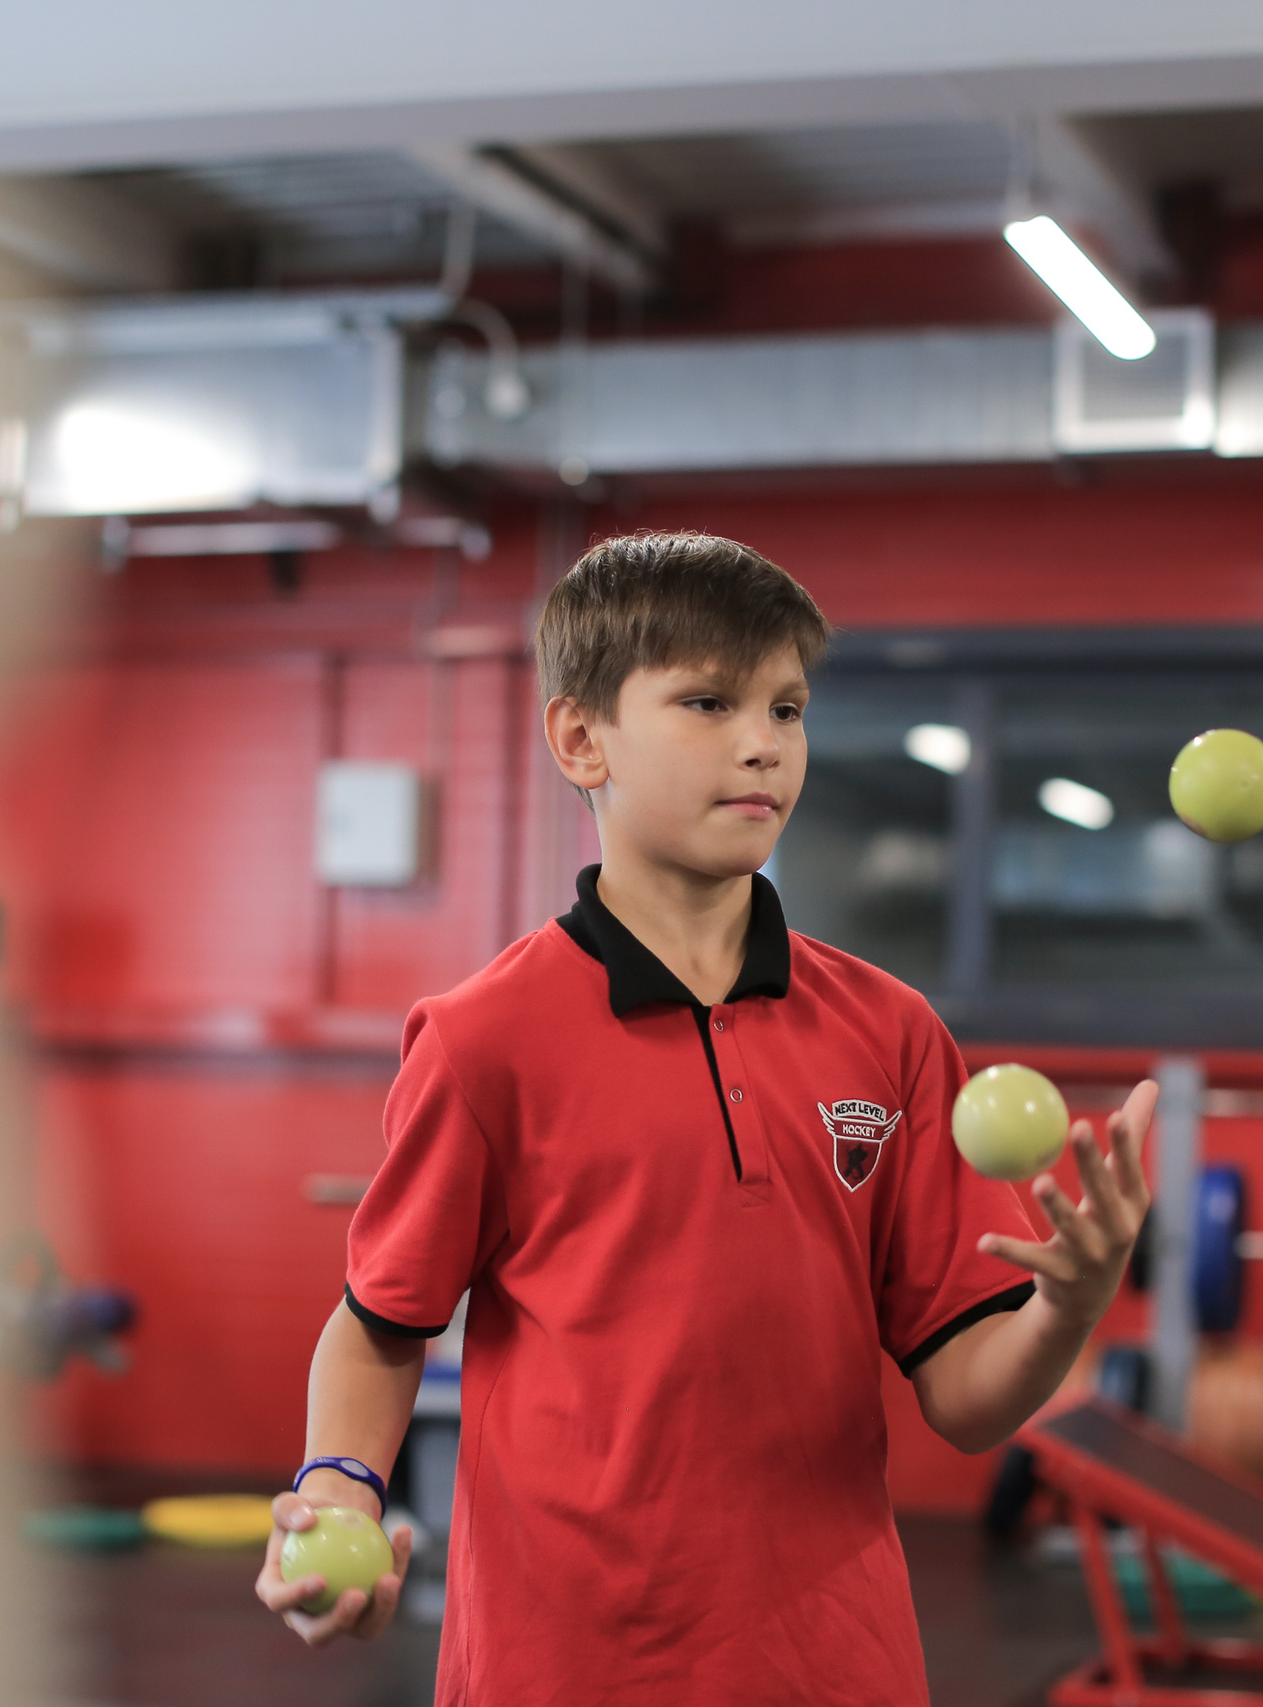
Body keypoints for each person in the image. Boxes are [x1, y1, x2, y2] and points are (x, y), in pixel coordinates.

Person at [256, 532, 1155, 1705]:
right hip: (565, 1666)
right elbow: (382, 1318)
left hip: (837, 1667)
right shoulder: (484, 1040)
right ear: (581, 740)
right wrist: (337, 1489)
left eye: (787, 709)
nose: (762, 745)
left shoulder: (889, 1032)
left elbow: (966, 1398)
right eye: (708, 701)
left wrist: (1063, 1310)